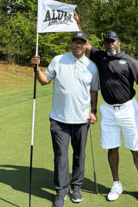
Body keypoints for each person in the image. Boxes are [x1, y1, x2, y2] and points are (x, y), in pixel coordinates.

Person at [74, 14, 138, 205]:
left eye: (112, 41)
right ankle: (116, 184)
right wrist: (77, 24)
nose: (109, 44)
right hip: (108, 110)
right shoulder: (100, 56)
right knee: (112, 148)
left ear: (118, 42)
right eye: (107, 41)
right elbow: (84, 43)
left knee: (137, 148)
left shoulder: (130, 61)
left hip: (128, 109)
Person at [31, 31, 99, 207]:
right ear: (71, 44)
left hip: (82, 120)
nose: (78, 45)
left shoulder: (91, 66)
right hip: (59, 120)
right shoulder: (59, 60)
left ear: (85, 45)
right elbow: (45, 81)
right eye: (75, 41)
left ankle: (76, 187)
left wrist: (93, 111)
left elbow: (93, 91)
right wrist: (37, 69)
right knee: (61, 156)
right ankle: (60, 193)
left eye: (81, 42)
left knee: (79, 155)